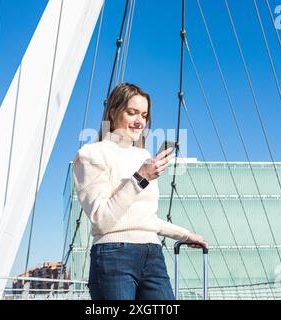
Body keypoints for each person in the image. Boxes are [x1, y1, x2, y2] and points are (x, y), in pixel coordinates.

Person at [72, 83, 208, 300]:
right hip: (113, 255)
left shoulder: (142, 155)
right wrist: (141, 178)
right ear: (113, 111)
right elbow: (101, 219)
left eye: (144, 115)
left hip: (152, 253)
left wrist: (186, 235)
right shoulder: (91, 154)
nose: (139, 121)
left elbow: (144, 218)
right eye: (132, 112)